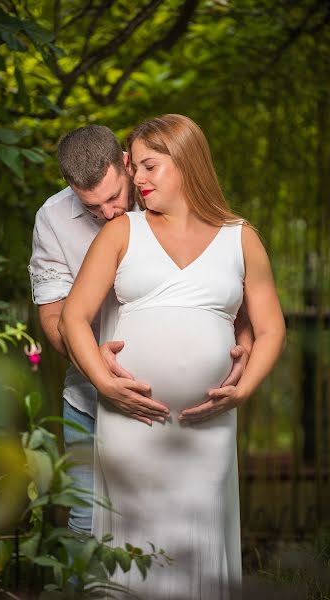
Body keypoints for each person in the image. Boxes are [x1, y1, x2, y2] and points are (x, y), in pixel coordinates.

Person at [59, 115, 286, 599]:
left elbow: (270, 329)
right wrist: (104, 381)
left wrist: (242, 390)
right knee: (132, 540)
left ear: (185, 162)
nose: (136, 179)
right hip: (130, 424)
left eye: (148, 166)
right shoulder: (121, 233)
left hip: (207, 426)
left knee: (196, 544)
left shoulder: (240, 237)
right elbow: (72, 318)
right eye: (135, 167)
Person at [29, 124, 253, 537]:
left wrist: (244, 345)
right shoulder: (53, 218)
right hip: (88, 399)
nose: (108, 214)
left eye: (113, 197)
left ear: (126, 163)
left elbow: (224, 290)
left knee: (174, 531)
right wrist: (98, 368)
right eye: (91, 207)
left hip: (185, 416)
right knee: (85, 524)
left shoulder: (173, 200)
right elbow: (54, 317)